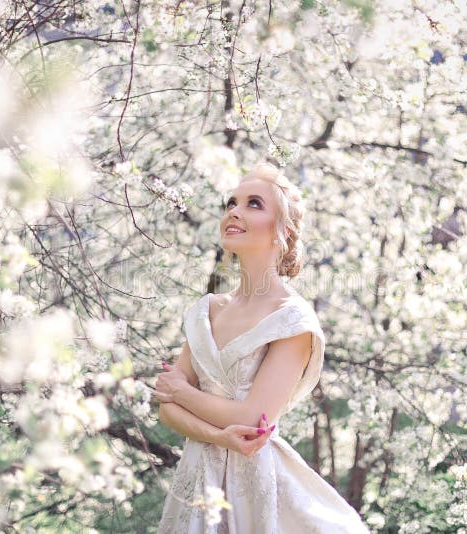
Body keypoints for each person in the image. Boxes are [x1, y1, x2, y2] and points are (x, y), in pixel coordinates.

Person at [155, 162, 370, 533]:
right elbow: (166, 410)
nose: (234, 211)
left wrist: (181, 391)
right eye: (231, 203)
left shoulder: (293, 321)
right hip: (194, 481)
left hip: (251, 485)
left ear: (281, 231)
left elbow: (255, 420)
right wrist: (217, 435)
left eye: (254, 204)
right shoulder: (208, 310)